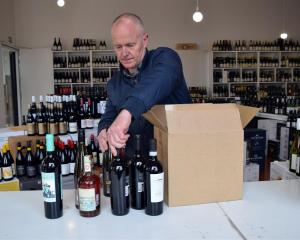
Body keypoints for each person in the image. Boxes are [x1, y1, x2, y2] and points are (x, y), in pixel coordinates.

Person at [97, 13, 191, 158]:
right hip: (136, 167)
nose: (124, 53)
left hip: (176, 161)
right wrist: (103, 130)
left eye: (130, 45)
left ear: (144, 40)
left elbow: (157, 82)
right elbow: (109, 115)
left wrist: (127, 113)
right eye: (118, 47)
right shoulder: (114, 84)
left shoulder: (166, 59)